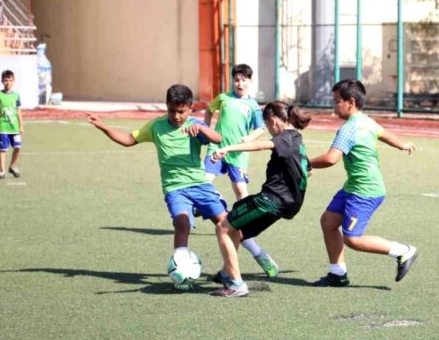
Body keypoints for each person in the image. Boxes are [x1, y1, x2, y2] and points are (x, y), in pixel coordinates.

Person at [88, 84, 234, 291]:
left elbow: (218, 139)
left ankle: (231, 270)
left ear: (190, 109)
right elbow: (129, 139)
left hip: (200, 185)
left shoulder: (194, 125)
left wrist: (201, 128)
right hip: (174, 188)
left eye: (181, 112)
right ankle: (182, 274)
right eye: (172, 111)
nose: (176, 116)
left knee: (227, 224)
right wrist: (103, 126)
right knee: (181, 223)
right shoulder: (156, 126)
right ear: (166, 107)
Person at [309, 79, 419, 287]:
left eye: (336, 101)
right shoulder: (366, 121)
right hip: (354, 187)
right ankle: (338, 274)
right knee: (329, 222)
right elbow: (384, 134)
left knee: (353, 239)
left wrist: (305, 162)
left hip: (365, 191)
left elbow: (331, 159)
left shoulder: (348, 129)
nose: (334, 106)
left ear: (350, 102)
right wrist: (402, 145)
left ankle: (404, 251)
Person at [209, 101, 311, 297]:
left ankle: (237, 284)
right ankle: (226, 273)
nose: (268, 131)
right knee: (236, 230)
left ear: (272, 120)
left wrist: (228, 149)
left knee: (222, 227)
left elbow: (261, 145)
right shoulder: (298, 140)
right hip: (286, 206)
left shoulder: (284, 138)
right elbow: (308, 170)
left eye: (267, 126)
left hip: (271, 200)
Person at [203, 64, 278, 279]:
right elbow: (209, 110)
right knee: (204, 180)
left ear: (250, 82)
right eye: (236, 79)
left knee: (241, 192)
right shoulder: (223, 98)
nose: (240, 83)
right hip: (217, 148)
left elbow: (260, 127)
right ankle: (213, 201)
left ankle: (245, 220)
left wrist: (249, 139)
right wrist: (207, 130)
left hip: (238, 154)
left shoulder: (253, 105)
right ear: (232, 81)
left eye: (244, 79)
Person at [0, 70, 24, 179]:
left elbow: (18, 111)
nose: (7, 82)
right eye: (5, 80)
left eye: (10, 80)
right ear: (2, 81)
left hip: (14, 127)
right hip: (3, 126)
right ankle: (2, 171)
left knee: (18, 148)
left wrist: (21, 125)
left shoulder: (16, 96)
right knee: (3, 149)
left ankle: (12, 166)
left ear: (13, 81)